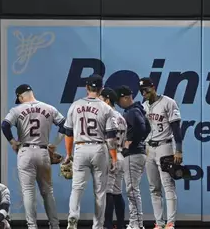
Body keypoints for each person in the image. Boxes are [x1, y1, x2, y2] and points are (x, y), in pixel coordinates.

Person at [1, 84, 65, 229]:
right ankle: (54, 225)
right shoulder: (49, 108)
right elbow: (64, 125)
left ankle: (32, 226)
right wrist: (55, 143)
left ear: (20, 96)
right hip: (43, 152)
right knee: (48, 192)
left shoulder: (17, 110)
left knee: (28, 191)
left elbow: (5, 125)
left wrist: (12, 142)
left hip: (25, 151)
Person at [63, 74, 119, 229]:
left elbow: (68, 133)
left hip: (80, 147)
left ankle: (73, 216)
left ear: (87, 88)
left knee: (77, 188)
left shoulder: (75, 105)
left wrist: (69, 154)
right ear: (101, 89)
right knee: (100, 192)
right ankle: (98, 225)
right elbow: (111, 137)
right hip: (99, 148)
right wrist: (113, 158)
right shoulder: (106, 108)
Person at [140, 77, 182, 229]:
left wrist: (179, 149)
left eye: (146, 89)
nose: (144, 93)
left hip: (165, 146)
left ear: (153, 87)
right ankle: (159, 223)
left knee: (168, 185)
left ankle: (170, 223)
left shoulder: (168, 102)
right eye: (142, 91)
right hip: (149, 148)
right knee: (154, 188)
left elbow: (176, 128)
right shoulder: (144, 106)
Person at [114, 85, 150, 229]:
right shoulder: (137, 110)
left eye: (120, 100)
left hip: (133, 154)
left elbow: (142, 128)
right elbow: (147, 128)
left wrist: (133, 141)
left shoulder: (133, 111)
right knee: (132, 189)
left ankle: (137, 223)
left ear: (126, 97)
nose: (118, 103)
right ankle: (136, 222)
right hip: (137, 153)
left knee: (132, 190)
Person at [100, 88, 126, 229]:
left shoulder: (107, 116)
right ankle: (121, 224)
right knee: (117, 192)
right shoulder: (121, 117)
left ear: (107, 100)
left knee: (107, 192)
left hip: (110, 155)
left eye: (101, 98)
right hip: (120, 154)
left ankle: (108, 225)